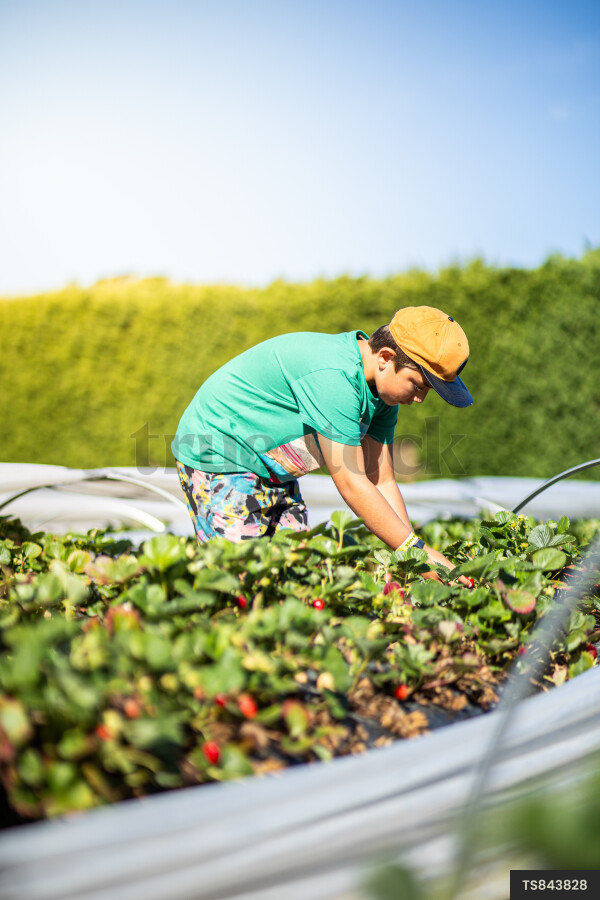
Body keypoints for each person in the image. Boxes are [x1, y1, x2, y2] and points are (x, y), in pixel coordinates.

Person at [172, 305, 473, 584]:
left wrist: (416, 554)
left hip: (272, 467)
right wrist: (415, 551)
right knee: (237, 578)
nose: (419, 399)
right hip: (219, 449)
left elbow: (380, 479)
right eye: (417, 385)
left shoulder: (382, 396)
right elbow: (353, 484)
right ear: (385, 358)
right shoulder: (335, 379)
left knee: (296, 576)